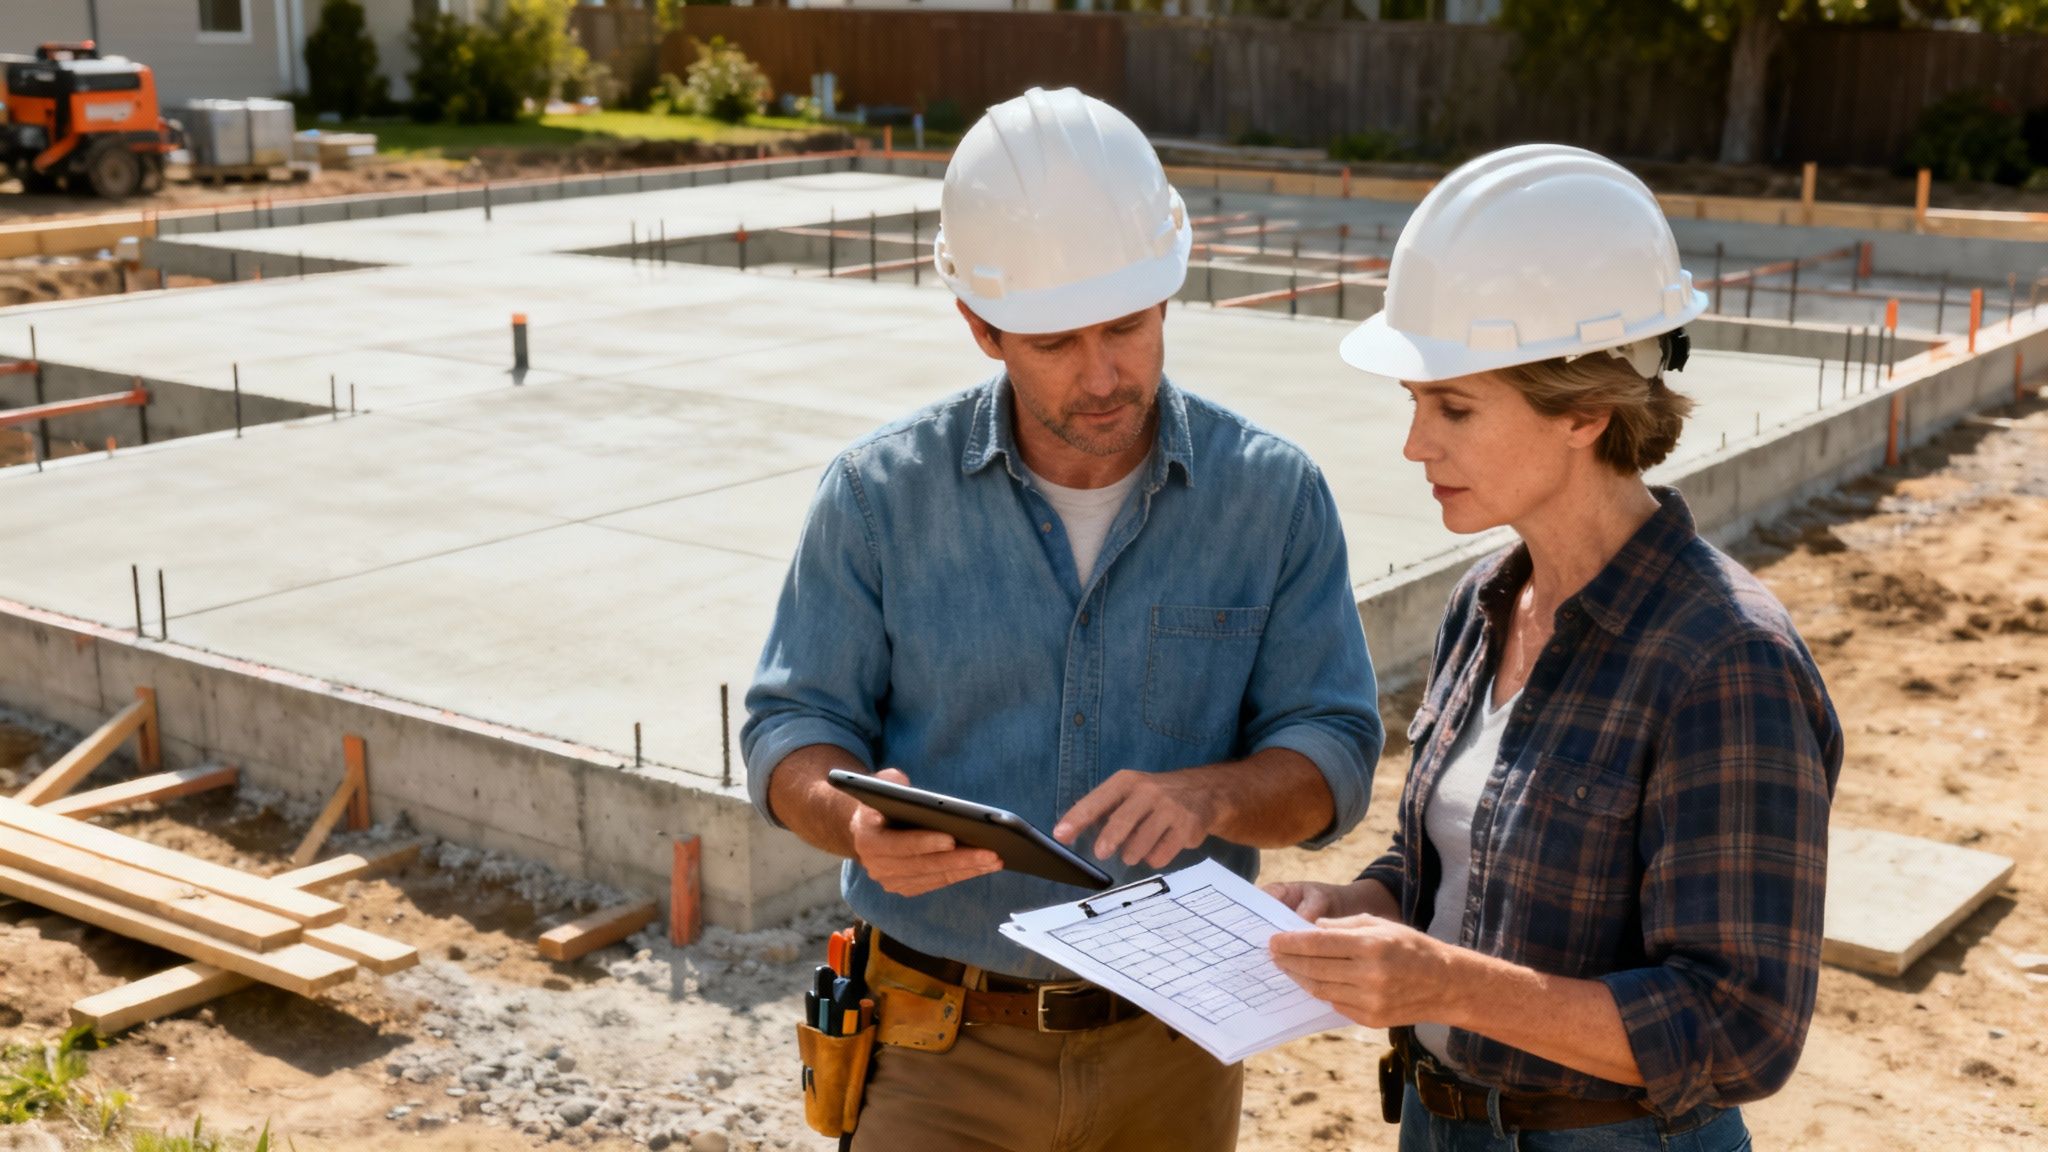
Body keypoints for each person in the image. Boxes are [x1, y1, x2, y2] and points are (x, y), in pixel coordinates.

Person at [741, 87, 1383, 1152]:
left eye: (1127, 327)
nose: (1101, 374)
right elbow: (786, 732)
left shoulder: (1271, 497)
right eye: (1053, 341)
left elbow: (1335, 753)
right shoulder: (875, 497)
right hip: (933, 1047)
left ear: (1169, 296)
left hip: (1174, 1049)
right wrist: (851, 822)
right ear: (978, 324)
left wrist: (1213, 793)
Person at [1265, 144, 1843, 1151]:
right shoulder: (1482, 603)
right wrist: (1360, 901)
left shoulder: (1722, 661)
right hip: (1439, 1123)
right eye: (1414, 403)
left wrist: (1449, 986)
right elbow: (1454, 860)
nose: (1413, 445)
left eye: (1451, 407)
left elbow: (1741, 1028)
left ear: (1581, 410)